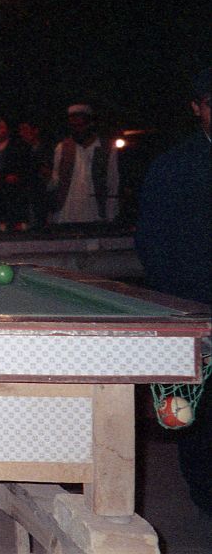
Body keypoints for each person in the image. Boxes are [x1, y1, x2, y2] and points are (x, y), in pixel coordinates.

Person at [134, 66, 211, 518]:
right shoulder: (174, 167)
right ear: (198, 109)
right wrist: (178, 310)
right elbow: (153, 242)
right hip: (194, 309)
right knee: (190, 414)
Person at [46, 103, 119, 224]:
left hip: (95, 214)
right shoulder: (62, 148)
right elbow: (55, 182)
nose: (77, 129)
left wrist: (111, 215)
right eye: (73, 126)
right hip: (66, 214)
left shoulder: (106, 148)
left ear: (90, 124)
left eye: (80, 125)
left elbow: (113, 182)